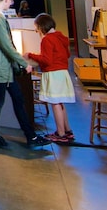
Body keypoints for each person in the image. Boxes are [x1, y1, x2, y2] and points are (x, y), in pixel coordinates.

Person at [0, 0, 50, 148]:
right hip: (0, 67)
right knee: (0, 102)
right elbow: (5, 44)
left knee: (15, 100)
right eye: (11, 0)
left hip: (2, 67)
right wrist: (22, 62)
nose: (11, 3)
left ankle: (29, 135)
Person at [25, 13, 76, 143]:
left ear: (42, 26)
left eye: (37, 28)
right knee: (60, 102)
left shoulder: (47, 39)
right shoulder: (61, 37)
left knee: (55, 103)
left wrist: (30, 55)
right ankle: (67, 130)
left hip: (53, 74)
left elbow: (46, 60)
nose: (36, 31)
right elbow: (67, 54)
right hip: (62, 73)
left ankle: (60, 133)